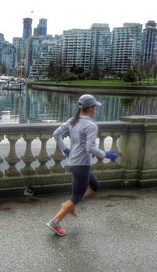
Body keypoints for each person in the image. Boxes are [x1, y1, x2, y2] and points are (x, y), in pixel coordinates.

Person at [46, 94, 118, 236]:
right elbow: (90, 148)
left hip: (75, 162)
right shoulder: (91, 125)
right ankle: (54, 222)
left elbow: (56, 134)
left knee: (95, 186)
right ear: (90, 108)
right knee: (76, 196)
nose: (95, 110)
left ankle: (71, 204)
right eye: (95, 107)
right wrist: (106, 155)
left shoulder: (73, 120)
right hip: (81, 165)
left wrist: (66, 150)